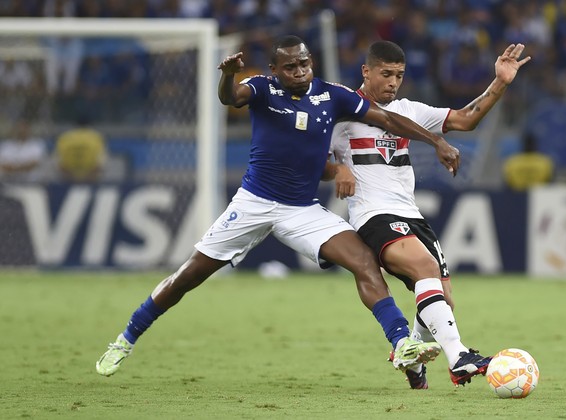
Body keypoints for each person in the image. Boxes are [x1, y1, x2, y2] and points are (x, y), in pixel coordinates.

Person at [95, 35, 461, 378]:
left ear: (311, 63)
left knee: (364, 261)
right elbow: (230, 98)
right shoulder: (261, 88)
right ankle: (125, 339)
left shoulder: (333, 96)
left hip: (301, 209)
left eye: (304, 64)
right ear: (275, 71)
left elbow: (387, 118)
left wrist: (435, 141)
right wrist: (227, 77)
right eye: (290, 67)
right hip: (254, 203)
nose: (299, 72)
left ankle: (402, 344)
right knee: (187, 277)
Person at [328, 40, 530, 389]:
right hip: (372, 213)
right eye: (386, 74)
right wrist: (337, 167)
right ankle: (459, 358)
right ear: (366, 71)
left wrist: (500, 82)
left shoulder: (410, 110)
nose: (393, 82)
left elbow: (466, 120)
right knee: (424, 268)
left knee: (442, 299)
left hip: (411, 214)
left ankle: (413, 359)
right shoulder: (343, 109)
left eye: (399, 75)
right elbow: (310, 153)